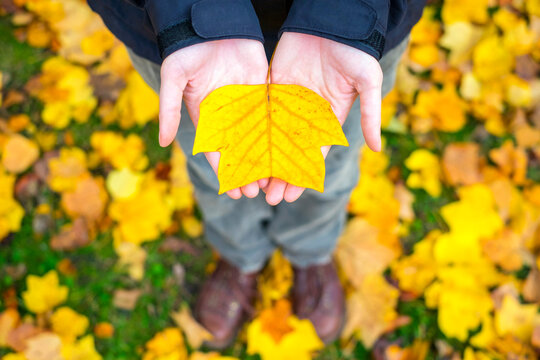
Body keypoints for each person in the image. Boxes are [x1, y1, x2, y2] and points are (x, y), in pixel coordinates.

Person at [88, 0, 426, 349]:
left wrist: (344, 15)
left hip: (360, 31)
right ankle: (240, 254)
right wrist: (191, 16)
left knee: (328, 168)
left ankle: (310, 252)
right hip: (170, 28)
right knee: (213, 169)